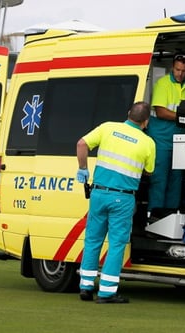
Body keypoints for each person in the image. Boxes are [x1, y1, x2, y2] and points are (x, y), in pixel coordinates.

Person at [76, 102, 155, 304]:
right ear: (146, 122)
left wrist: (83, 168)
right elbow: (149, 171)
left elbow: (81, 144)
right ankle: (107, 292)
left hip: (99, 193)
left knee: (93, 240)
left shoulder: (107, 127)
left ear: (128, 114)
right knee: (117, 244)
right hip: (123, 197)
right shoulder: (148, 143)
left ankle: (85, 286)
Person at [147, 53, 185, 219]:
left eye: (183, 70)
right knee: (159, 180)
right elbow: (160, 112)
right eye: (177, 69)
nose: (179, 74)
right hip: (161, 138)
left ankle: (171, 218)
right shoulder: (163, 83)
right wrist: (183, 117)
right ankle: (154, 217)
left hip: (180, 138)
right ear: (172, 68)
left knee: (176, 180)